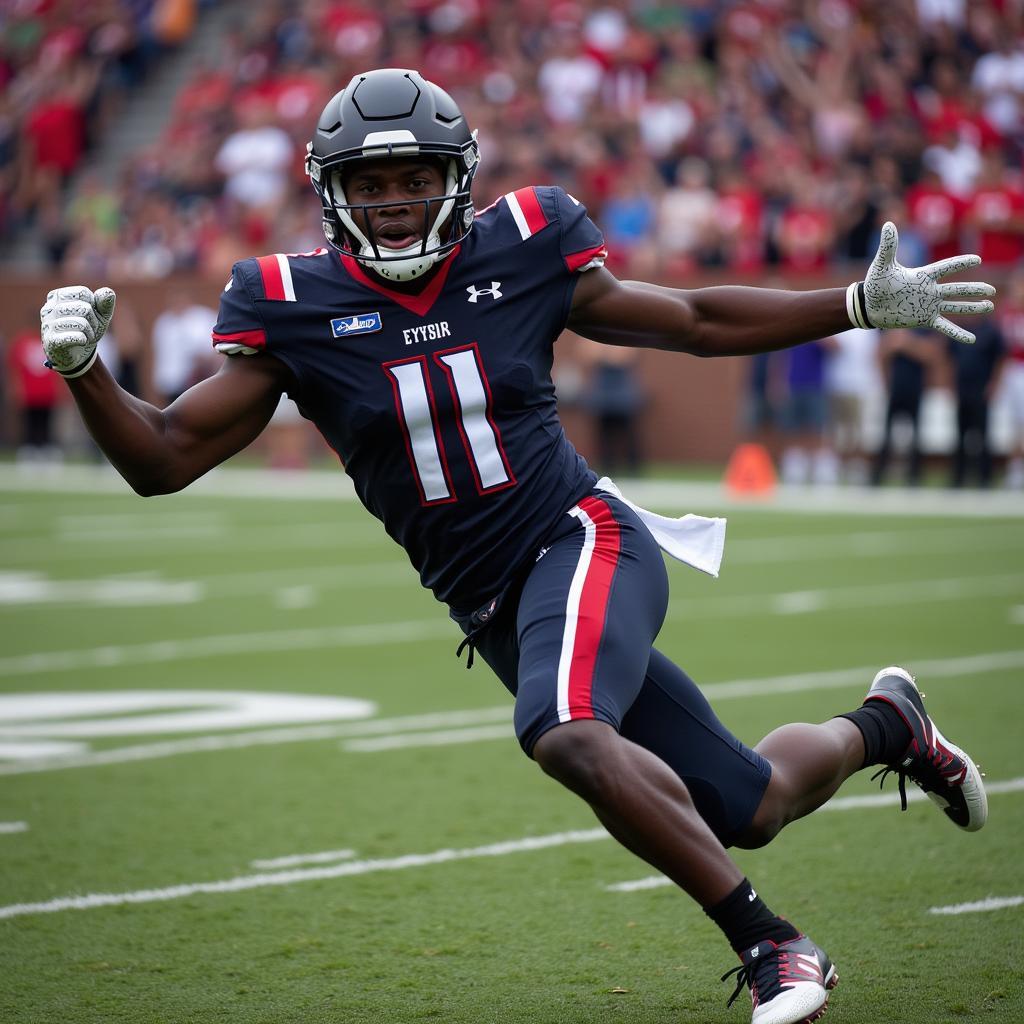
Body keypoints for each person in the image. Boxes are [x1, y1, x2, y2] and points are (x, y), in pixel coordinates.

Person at [38, 69, 994, 1024]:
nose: (394, 202)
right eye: (368, 186)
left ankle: (773, 947)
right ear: (330, 193)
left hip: (581, 537)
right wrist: (85, 375)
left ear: (456, 175)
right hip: (495, 606)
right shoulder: (293, 303)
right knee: (750, 806)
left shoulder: (524, 244)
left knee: (569, 731)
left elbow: (693, 321)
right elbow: (163, 459)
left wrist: (853, 304)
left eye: (411, 177)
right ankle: (889, 725)